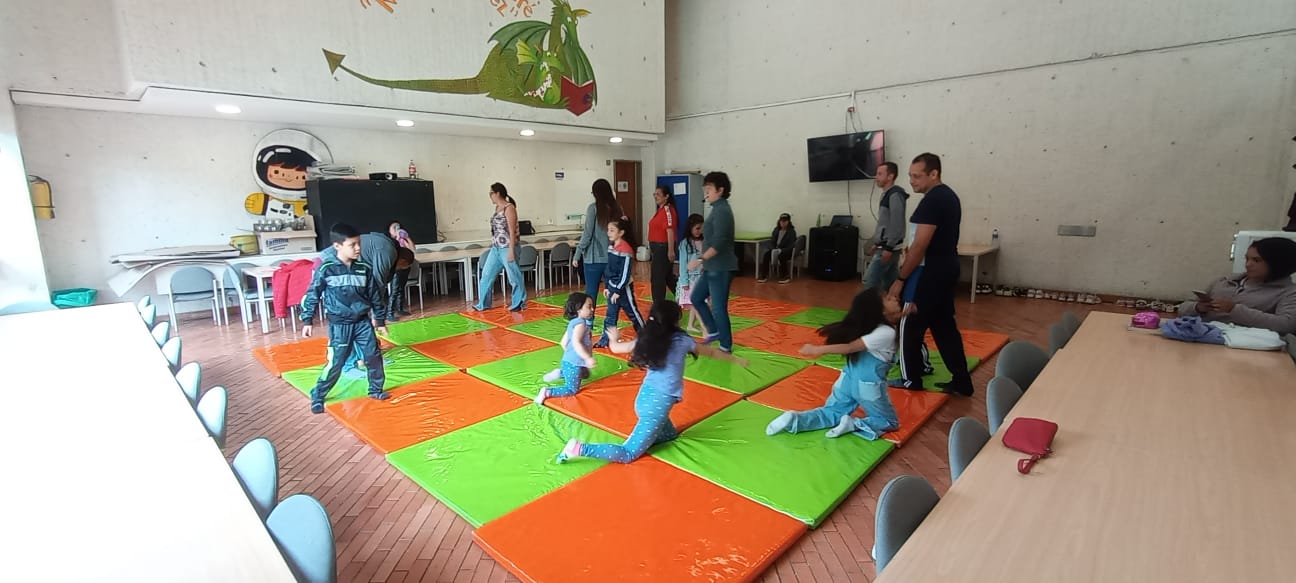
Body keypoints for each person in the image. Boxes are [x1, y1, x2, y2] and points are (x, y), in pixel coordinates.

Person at [556, 300, 747, 464]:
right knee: (628, 453)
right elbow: (711, 351)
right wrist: (735, 360)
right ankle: (579, 448)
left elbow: (615, 348)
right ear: (675, 321)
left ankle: (649, 433)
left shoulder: (648, 339)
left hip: (646, 398)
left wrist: (614, 338)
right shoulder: (682, 340)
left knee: (670, 435)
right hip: (655, 407)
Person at [887, 153, 974, 396]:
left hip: (929, 274)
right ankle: (961, 380)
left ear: (933, 174)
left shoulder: (933, 200)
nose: (912, 181)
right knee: (944, 327)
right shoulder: (948, 196)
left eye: (917, 176)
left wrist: (901, 278)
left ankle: (910, 379)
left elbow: (920, 246)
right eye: (910, 176)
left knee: (908, 325)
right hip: (946, 269)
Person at [765, 288, 902, 440]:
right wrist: (818, 349)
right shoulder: (886, 333)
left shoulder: (867, 326)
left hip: (847, 379)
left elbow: (893, 316)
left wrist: (909, 311)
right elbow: (850, 347)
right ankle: (854, 424)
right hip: (868, 386)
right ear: (880, 311)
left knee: (833, 411)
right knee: (889, 421)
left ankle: (795, 419)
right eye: (889, 299)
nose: (895, 298)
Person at [300, 223, 390, 414]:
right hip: (340, 325)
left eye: (359, 244)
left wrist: (380, 320)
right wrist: (307, 320)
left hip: (363, 323)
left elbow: (375, 295)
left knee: (373, 356)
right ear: (337, 246)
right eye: (353, 245)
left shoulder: (364, 269)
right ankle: (318, 394)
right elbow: (312, 294)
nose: (358, 248)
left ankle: (376, 390)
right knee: (337, 362)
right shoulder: (327, 269)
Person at [1177, 237, 1296, 335]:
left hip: (1245, 346)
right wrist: (1198, 307)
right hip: (1201, 337)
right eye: (1247, 259)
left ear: (1278, 263)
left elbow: (1286, 325)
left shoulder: (1288, 292)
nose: (1248, 265)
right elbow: (1183, 308)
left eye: (1256, 260)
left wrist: (1234, 310)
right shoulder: (1224, 281)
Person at [688, 171, 738, 352]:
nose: (706, 193)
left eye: (709, 189)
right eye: (705, 189)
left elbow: (719, 243)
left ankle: (725, 345)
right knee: (696, 297)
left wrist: (699, 260)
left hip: (721, 268)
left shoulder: (723, 210)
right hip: (711, 268)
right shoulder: (716, 209)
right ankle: (714, 330)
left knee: (718, 308)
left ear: (720, 190)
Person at [534, 292, 598, 405]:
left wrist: (571, 355)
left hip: (569, 361)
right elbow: (576, 342)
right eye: (589, 306)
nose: (592, 309)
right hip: (574, 363)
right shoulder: (581, 325)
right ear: (579, 309)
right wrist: (587, 358)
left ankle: (561, 372)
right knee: (572, 389)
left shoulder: (573, 323)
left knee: (585, 374)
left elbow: (563, 342)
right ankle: (547, 392)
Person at [473, 183, 527, 312]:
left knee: (513, 276)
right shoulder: (497, 208)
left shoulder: (509, 208)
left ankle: (518, 302)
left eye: (491, 193)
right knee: (486, 275)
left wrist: (511, 251)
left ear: (497, 193)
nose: (490, 196)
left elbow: (512, 231)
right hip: (496, 248)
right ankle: (483, 303)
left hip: (507, 247)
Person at [573, 179, 625, 308]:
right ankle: (611, 323)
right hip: (613, 257)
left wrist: (577, 254)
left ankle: (588, 323)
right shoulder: (617, 208)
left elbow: (587, 235)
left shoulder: (593, 209)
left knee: (591, 293)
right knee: (612, 292)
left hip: (594, 259)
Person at [594, 218, 646, 347]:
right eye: (608, 230)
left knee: (632, 313)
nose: (609, 233)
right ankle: (605, 340)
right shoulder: (611, 246)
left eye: (612, 230)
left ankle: (646, 336)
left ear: (621, 233)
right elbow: (609, 268)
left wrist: (618, 290)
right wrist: (607, 286)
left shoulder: (625, 250)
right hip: (612, 287)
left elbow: (625, 273)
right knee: (610, 315)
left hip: (623, 289)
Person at [862, 162, 909, 291]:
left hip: (889, 248)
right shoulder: (887, 194)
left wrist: (888, 247)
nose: (876, 177)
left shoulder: (895, 195)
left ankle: (869, 310)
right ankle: (896, 308)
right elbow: (885, 224)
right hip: (885, 246)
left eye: (880, 174)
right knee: (890, 282)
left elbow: (897, 223)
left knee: (869, 281)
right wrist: (877, 244)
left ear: (890, 176)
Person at [677, 213, 709, 335]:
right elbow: (683, 264)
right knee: (696, 302)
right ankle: (703, 326)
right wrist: (684, 282)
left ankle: (690, 325)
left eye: (701, 228)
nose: (699, 231)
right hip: (690, 279)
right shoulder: (685, 243)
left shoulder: (704, 241)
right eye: (697, 228)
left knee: (696, 302)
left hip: (701, 278)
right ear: (690, 228)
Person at [647, 185, 679, 304]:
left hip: (662, 248)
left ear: (666, 197)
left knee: (657, 278)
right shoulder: (660, 210)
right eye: (654, 194)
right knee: (667, 277)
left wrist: (670, 250)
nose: (655, 196)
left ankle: (658, 305)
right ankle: (685, 297)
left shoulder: (667, 210)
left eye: (658, 194)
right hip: (658, 248)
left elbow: (669, 230)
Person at [387, 221, 416, 320]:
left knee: (401, 288)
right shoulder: (389, 241)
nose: (396, 229)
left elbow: (412, 249)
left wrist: (406, 238)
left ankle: (400, 308)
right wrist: (398, 239)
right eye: (394, 227)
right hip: (396, 268)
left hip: (405, 267)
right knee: (394, 290)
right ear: (390, 231)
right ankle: (390, 312)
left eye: (397, 227)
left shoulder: (404, 240)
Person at [759, 213, 798, 284]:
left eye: (785, 221)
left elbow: (791, 246)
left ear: (788, 222)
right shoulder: (776, 230)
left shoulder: (791, 232)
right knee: (766, 255)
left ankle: (785, 276)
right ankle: (764, 275)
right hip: (775, 249)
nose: (783, 223)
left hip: (786, 251)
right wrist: (773, 249)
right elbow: (772, 241)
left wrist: (781, 250)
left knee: (782, 256)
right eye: (781, 221)